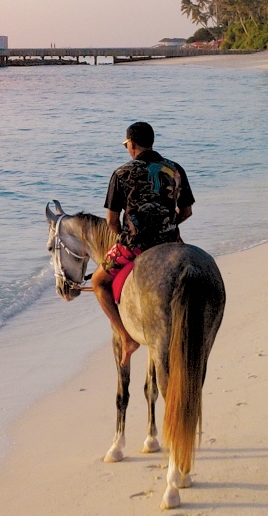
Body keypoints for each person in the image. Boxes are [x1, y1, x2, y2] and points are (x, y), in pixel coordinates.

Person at [91, 121, 195, 367]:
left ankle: (127, 338)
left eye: (127, 144)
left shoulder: (121, 173)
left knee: (98, 282)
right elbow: (187, 211)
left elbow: (111, 221)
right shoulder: (175, 169)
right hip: (171, 240)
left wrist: (125, 235)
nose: (128, 148)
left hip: (135, 244)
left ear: (132, 144)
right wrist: (167, 224)